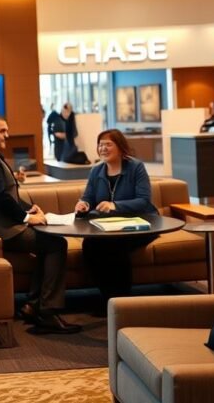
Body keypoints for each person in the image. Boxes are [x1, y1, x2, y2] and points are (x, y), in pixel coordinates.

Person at [0, 113, 80, 335]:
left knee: (49, 242)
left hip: (4, 225)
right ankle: (47, 312)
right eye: (2, 131)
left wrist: (28, 208)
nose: (7, 136)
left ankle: (32, 305)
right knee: (56, 244)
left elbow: (9, 192)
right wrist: (27, 218)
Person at [74, 129, 158, 300]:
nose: (103, 148)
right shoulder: (96, 171)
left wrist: (115, 205)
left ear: (120, 147)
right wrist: (83, 204)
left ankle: (122, 299)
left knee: (115, 246)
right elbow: (88, 197)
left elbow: (144, 201)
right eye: (100, 144)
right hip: (109, 226)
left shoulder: (136, 167)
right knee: (89, 245)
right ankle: (108, 298)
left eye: (108, 144)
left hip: (141, 224)